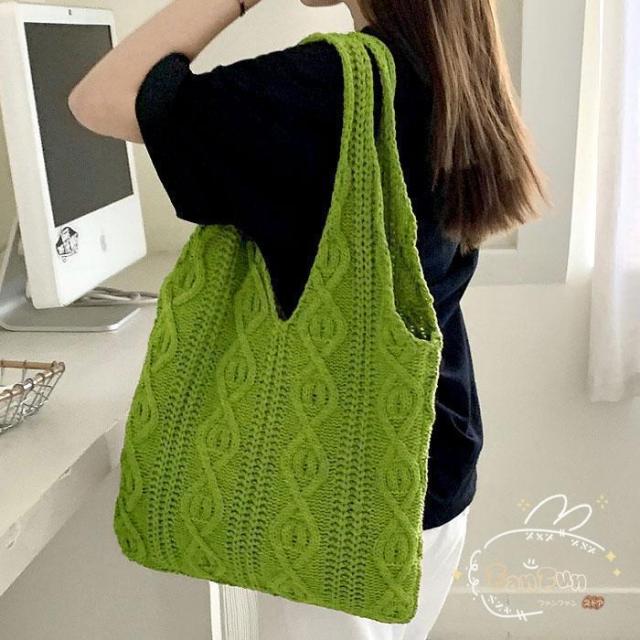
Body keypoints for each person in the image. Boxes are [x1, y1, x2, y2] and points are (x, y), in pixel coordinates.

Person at [69, 0, 547, 637]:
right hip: (432, 462)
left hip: (330, 494)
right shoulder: (449, 68)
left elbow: (101, 99)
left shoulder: (331, 88)